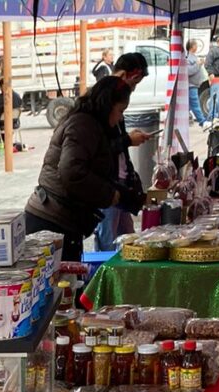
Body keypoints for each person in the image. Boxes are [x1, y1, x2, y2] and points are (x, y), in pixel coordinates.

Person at [25, 76, 141, 262]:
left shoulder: (92, 124)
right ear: (107, 105)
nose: (120, 117)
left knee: (68, 285)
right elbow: (72, 171)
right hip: (52, 221)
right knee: (61, 286)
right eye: (120, 111)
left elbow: (94, 164)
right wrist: (111, 195)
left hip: (63, 220)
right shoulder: (83, 124)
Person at [93, 52, 152, 251]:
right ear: (127, 75)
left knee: (128, 242)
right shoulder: (100, 104)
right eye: (134, 84)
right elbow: (99, 150)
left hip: (119, 185)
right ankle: (105, 279)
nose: (132, 90)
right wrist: (127, 140)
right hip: (106, 187)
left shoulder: (113, 100)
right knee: (108, 244)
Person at [0, 80, 23, 145]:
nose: (0, 89)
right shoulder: (17, 96)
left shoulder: (4, 98)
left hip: (4, 123)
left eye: (0, 87)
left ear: (3, 86)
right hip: (15, 122)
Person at [186, 40, 209, 128]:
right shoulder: (188, 57)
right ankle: (202, 121)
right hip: (191, 85)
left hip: (194, 84)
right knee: (195, 103)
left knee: (189, 104)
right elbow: (189, 71)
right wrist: (198, 64)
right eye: (196, 45)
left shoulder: (193, 57)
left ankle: (186, 119)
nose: (197, 47)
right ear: (193, 47)